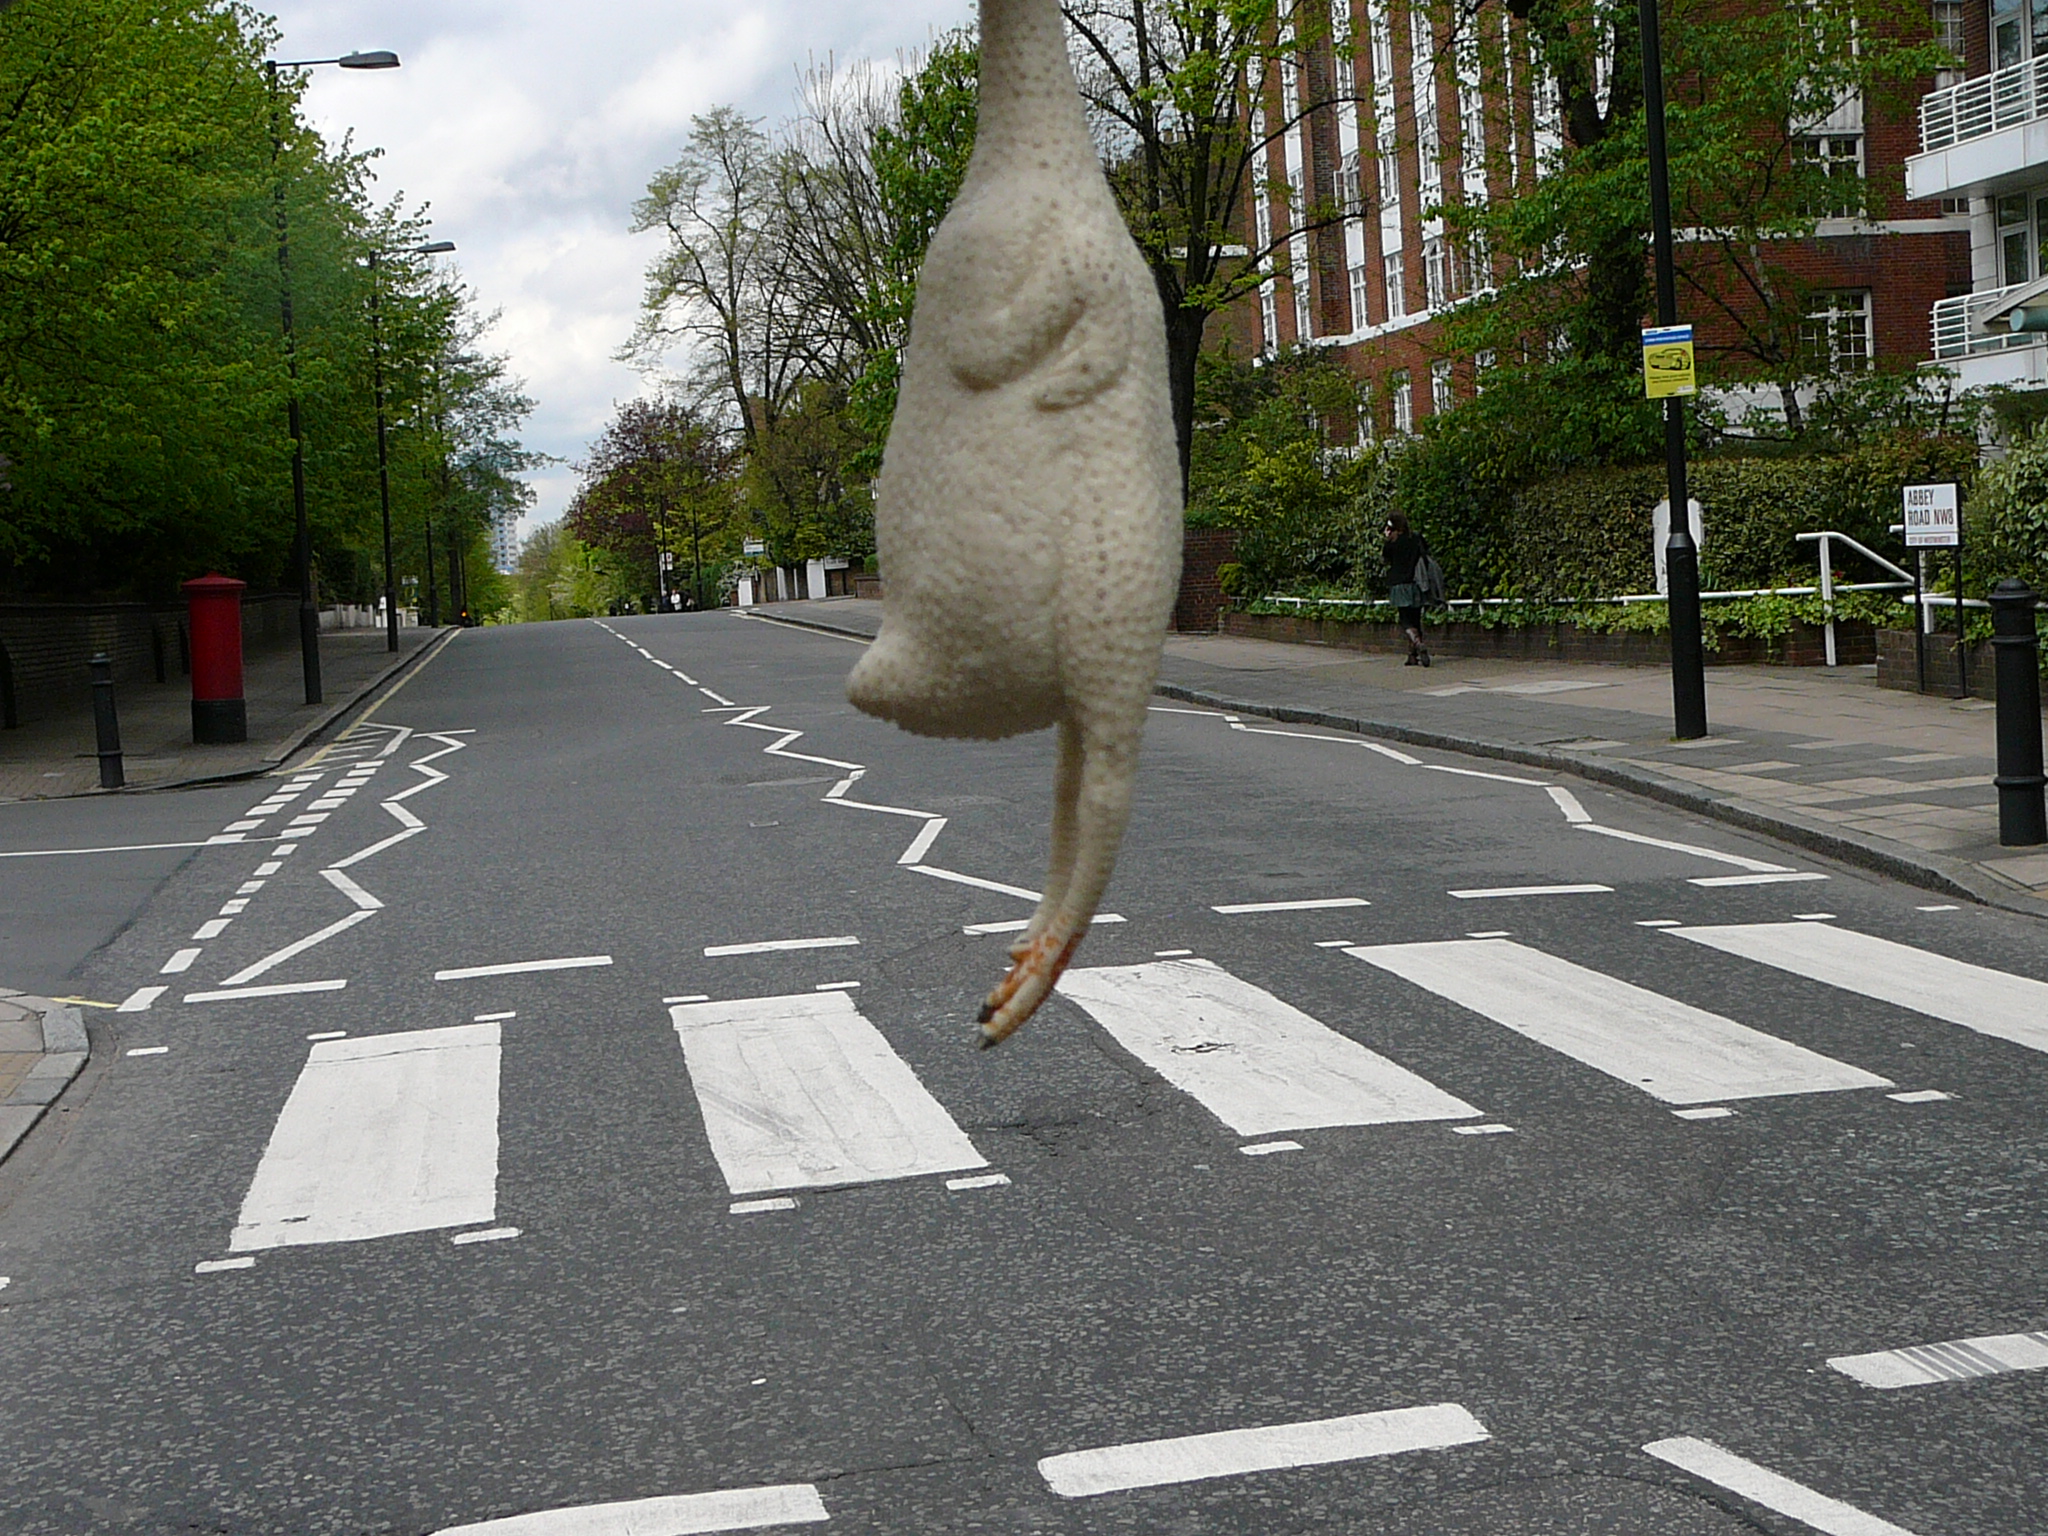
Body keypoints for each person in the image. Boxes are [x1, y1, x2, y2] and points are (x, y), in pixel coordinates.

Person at [1383, 511, 1431, 666]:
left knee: (1405, 621)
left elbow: (1386, 558)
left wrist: (1387, 538)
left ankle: (1417, 643)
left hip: (1399, 583)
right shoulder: (1416, 538)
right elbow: (1426, 552)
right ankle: (1412, 656)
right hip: (1416, 583)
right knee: (1416, 619)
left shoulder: (1392, 542)